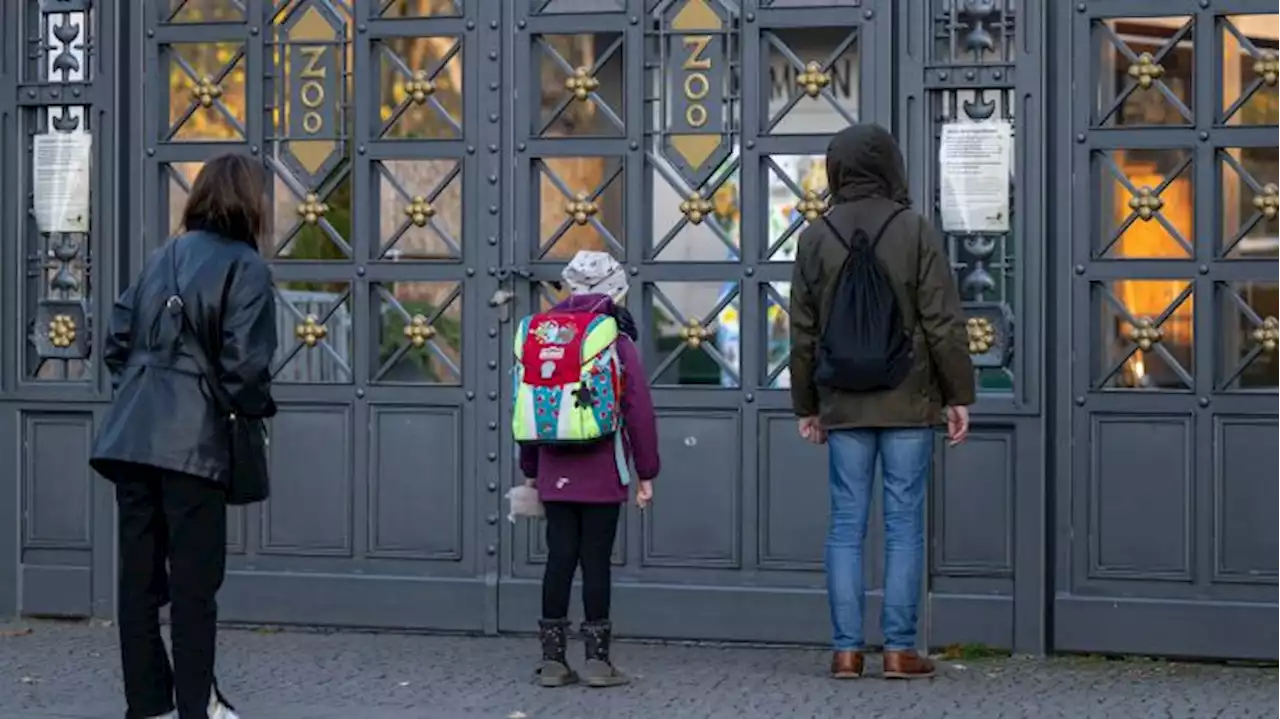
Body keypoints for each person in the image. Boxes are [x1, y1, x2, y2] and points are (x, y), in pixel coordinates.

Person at [90, 154, 277, 719]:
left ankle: (147, 707)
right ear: (251, 200)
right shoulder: (246, 266)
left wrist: (150, 388)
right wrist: (247, 409)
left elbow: (116, 343)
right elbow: (245, 368)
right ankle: (195, 709)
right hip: (194, 446)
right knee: (195, 592)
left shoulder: (159, 258)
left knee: (138, 585)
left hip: (131, 439)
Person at [789, 124, 976, 680]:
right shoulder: (914, 228)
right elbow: (942, 321)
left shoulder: (816, 235)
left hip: (843, 404)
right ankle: (899, 650)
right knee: (902, 524)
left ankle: (846, 651)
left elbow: (802, 331)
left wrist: (807, 406)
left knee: (845, 524)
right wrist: (958, 395)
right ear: (891, 164)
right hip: (909, 401)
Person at [518, 251, 660, 689]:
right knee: (595, 559)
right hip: (603, 467)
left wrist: (531, 468)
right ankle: (598, 662)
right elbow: (637, 409)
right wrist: (646, 471)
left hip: (554, 467)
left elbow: (526, 405)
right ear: (615, 290)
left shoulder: (544, 336)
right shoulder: (615, 338)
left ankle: (552, 662)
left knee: (559, 557)